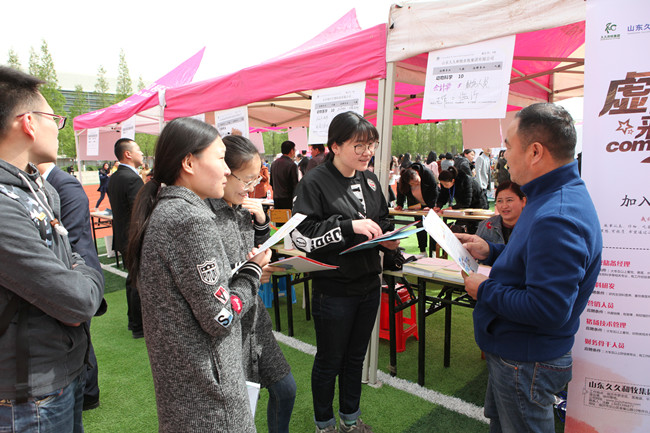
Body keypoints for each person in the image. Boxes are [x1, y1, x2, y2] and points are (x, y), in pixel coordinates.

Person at [457, 103, 602, 433]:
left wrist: (484, 289)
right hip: (519, 354)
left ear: (535, 152)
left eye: (509, 146)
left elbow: (548, 308)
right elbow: (530, 262)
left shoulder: (557, 215)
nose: (504, 157)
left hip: (525, 360)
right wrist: (492, 251)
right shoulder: (550, 196)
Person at [126, 117, 271, 432]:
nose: (226, 170)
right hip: (209, 397)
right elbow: (220, 317)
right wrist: (253, 270)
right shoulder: (190, 219)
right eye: (220, 159)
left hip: (187, 390)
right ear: (189, 163)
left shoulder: (167, 210)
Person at [0, 66, 104, 432]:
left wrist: (78, 279)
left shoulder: (37, 188)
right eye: (53, 118)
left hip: (63, 372)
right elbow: (76, 301)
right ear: (28, 122)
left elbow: (73, 262)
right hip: (28, 393)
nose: (58, 127)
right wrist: (81, 282)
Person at [291, 111, 400, 433]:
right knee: (330, 361)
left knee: (355, 359)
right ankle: (324, 424)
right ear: (335, 146)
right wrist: (348, 226)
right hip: (334, 289)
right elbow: (301, 236)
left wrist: (389, 240)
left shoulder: (370, 179)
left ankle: (350, 420)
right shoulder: (314, 182)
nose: (368, 152)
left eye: (371, 145)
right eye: (359, 145)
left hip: (368, 284)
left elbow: (383, 219)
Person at [207, 134, 296, 433]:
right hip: (230, 330)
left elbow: (255, 252)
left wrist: (261, 224)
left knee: (285, 389)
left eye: (255, 179)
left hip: (256, 321)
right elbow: (213, 283)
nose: (250, 187)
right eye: (246, 180)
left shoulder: (242, 207)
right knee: (242, 409)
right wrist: (252, 272)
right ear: (223, 171)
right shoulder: (203, 217)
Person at [37, 162, 107, 411]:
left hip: (77, 273)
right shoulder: (39, 184)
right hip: (67, 275)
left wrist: (74, 277)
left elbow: (72, 239)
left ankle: (88, 393)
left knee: (80, 337)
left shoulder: (64, 184)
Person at [107, 137, 145, 338]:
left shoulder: (115, 177)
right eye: (138, 149)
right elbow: (139, 211)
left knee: (132, 279)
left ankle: (134, 322)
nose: (142, 153)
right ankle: (138, 325)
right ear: (128, 154)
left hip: (123, 237)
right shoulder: (131, 179)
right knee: (138, 281)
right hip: (133, 238)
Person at [395, 162, 439, 254]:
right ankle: (422, 250)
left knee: (433, 228)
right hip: (416, 206)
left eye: (417, 180)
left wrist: (431, 206)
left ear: (418, 174)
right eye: (413, 183)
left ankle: (433, 251)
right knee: (420, 227)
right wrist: (400, 204)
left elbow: (434, 190)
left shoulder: (427, 173)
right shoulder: (404, 178)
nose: (416, 183)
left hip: (430, 205)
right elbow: (401, 192)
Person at [475, 181, 526, 245]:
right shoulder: (486, 226)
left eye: (509, 200)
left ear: (523, 201)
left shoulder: (532, 226)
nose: (504, 206)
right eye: (500, 201)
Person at [270, 140, 298, 209]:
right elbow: (294, 184)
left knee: (278, 215)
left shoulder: (274, 164)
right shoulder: (292, 165)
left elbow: (271, 182)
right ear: (291, 151)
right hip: (288, 199)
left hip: (276, 198)